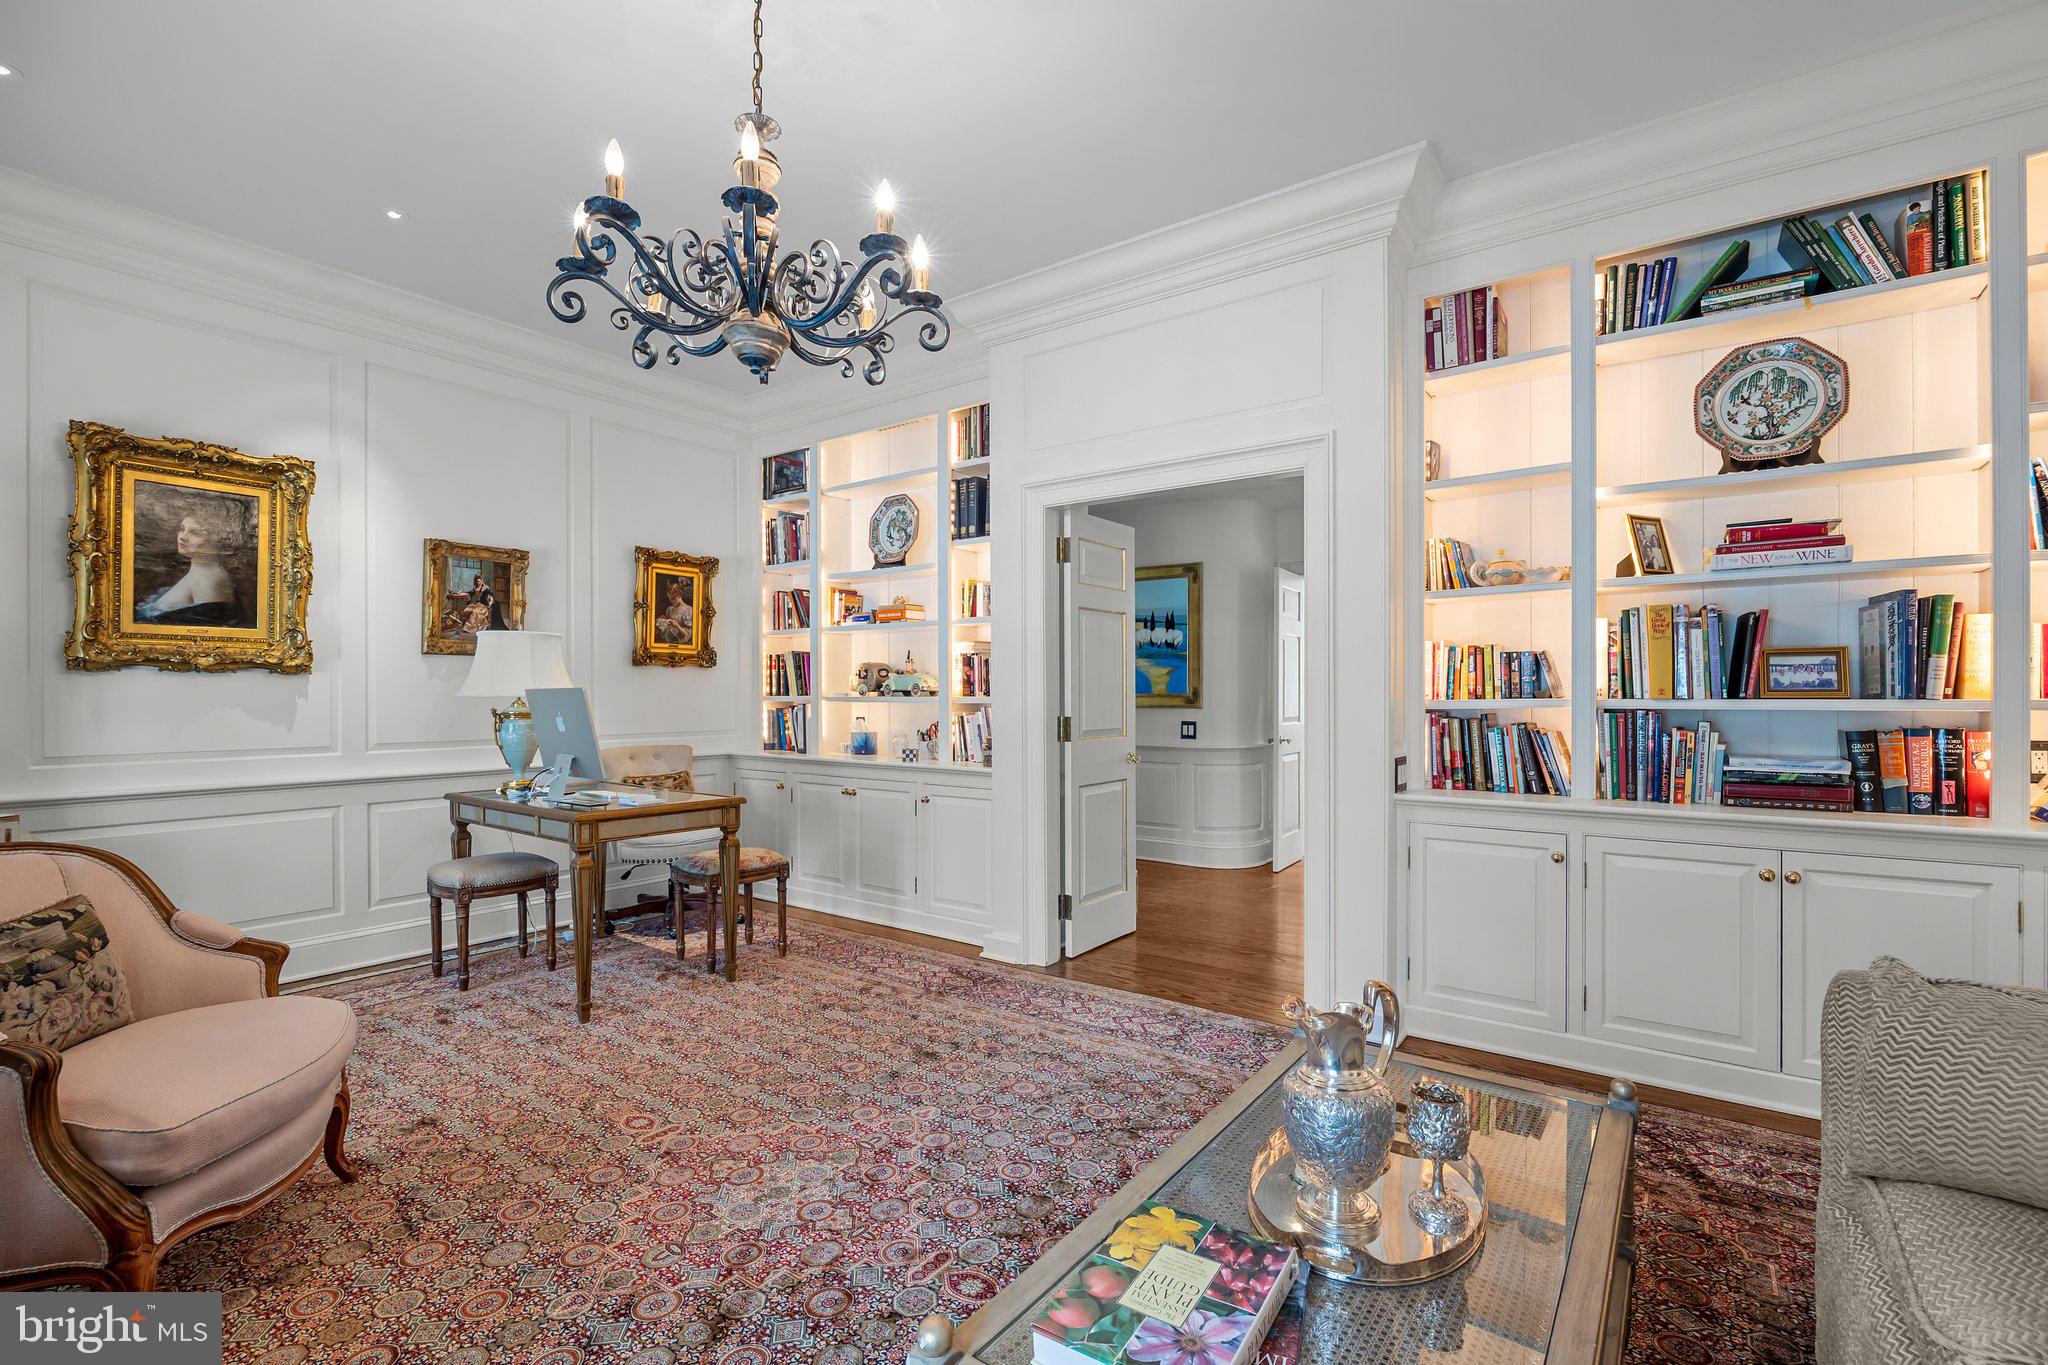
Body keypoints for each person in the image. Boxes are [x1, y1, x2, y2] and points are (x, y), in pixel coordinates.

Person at [134, 496, 249, 627]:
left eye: (194, 532)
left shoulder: (209, 580)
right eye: (182, 529)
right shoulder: (200, 573)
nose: (182, 537)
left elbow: (207, 635)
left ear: (216, 540)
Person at [655, 578, 693, 646]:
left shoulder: (688, 610)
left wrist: (677, 626)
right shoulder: (670, 609)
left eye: (672, 598)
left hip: (681, 644)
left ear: (679, 595)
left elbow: (688, 635)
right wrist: (665, 619)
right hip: (669, 642)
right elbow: (668, 628)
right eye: (669, 598)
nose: (670, 601)